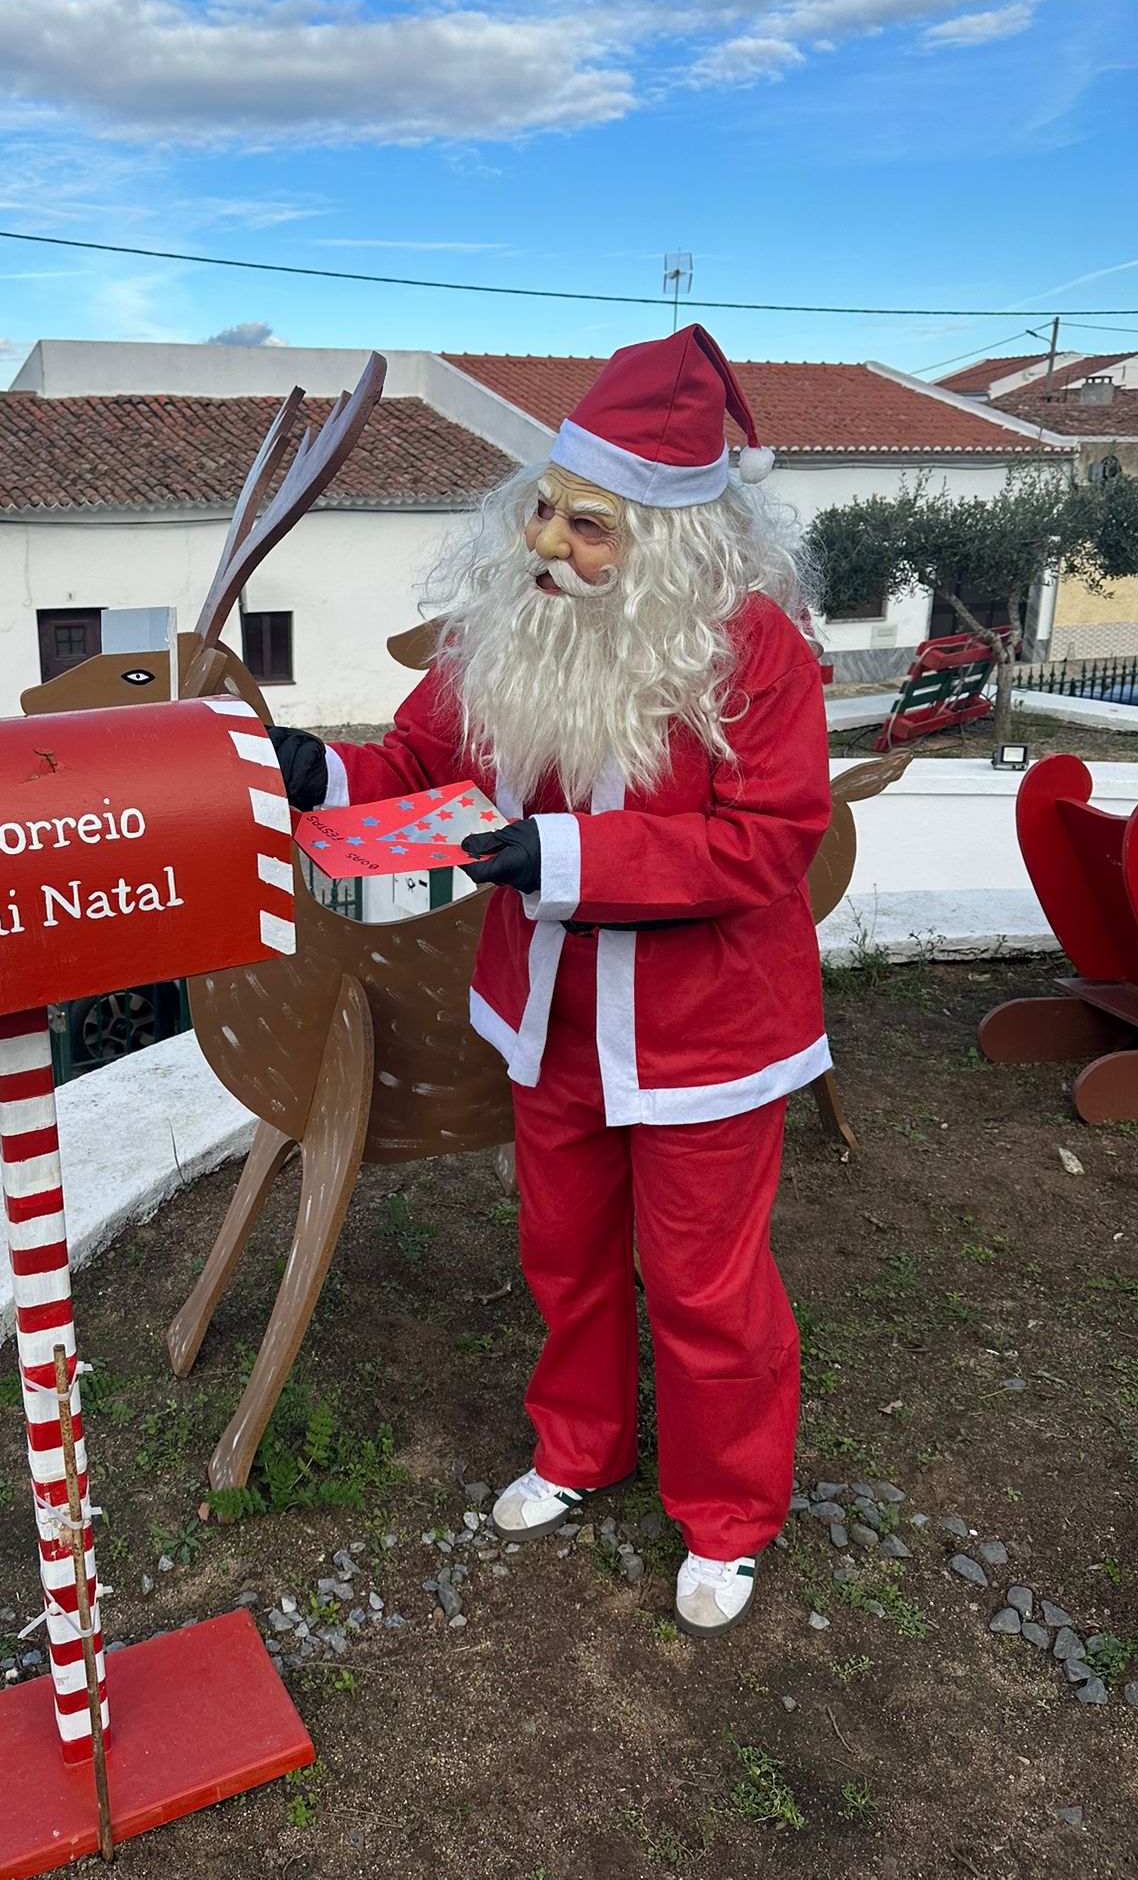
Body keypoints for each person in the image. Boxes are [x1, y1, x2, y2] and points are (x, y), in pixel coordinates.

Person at [268, 327, 830, 1637]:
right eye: (546, 510)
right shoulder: (516, 629)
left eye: (591, 526)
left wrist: (559, 853)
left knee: (705, 1287)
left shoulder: (754, 654)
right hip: (548, 1024)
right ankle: (581, 1447)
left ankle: (728, 1514)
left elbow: (770, 841)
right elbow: (421, 769)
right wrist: (319, 772)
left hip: (708, 1041)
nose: (549, 544)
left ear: (672, 542)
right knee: (567, 1257)